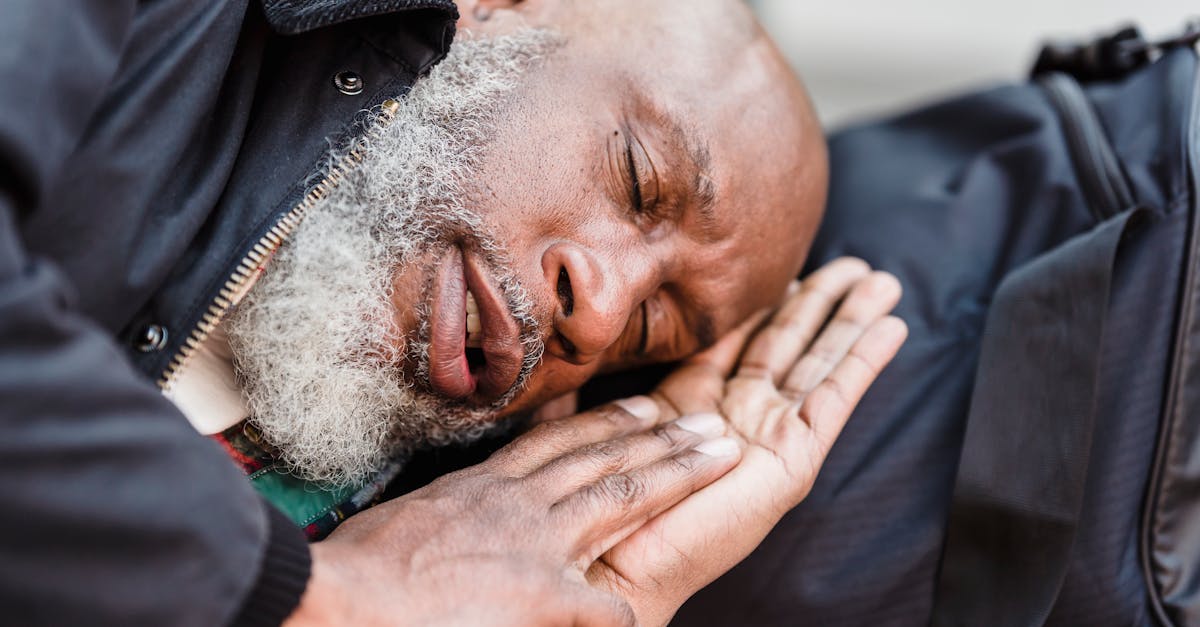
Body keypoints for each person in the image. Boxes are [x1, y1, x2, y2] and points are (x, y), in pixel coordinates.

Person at [0, 0, 906, 625]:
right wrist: (319, 598)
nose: (597, 313)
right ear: (497, 10)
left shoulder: (438, 518)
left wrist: (603, 586)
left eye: (646, 331)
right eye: (638, 178)